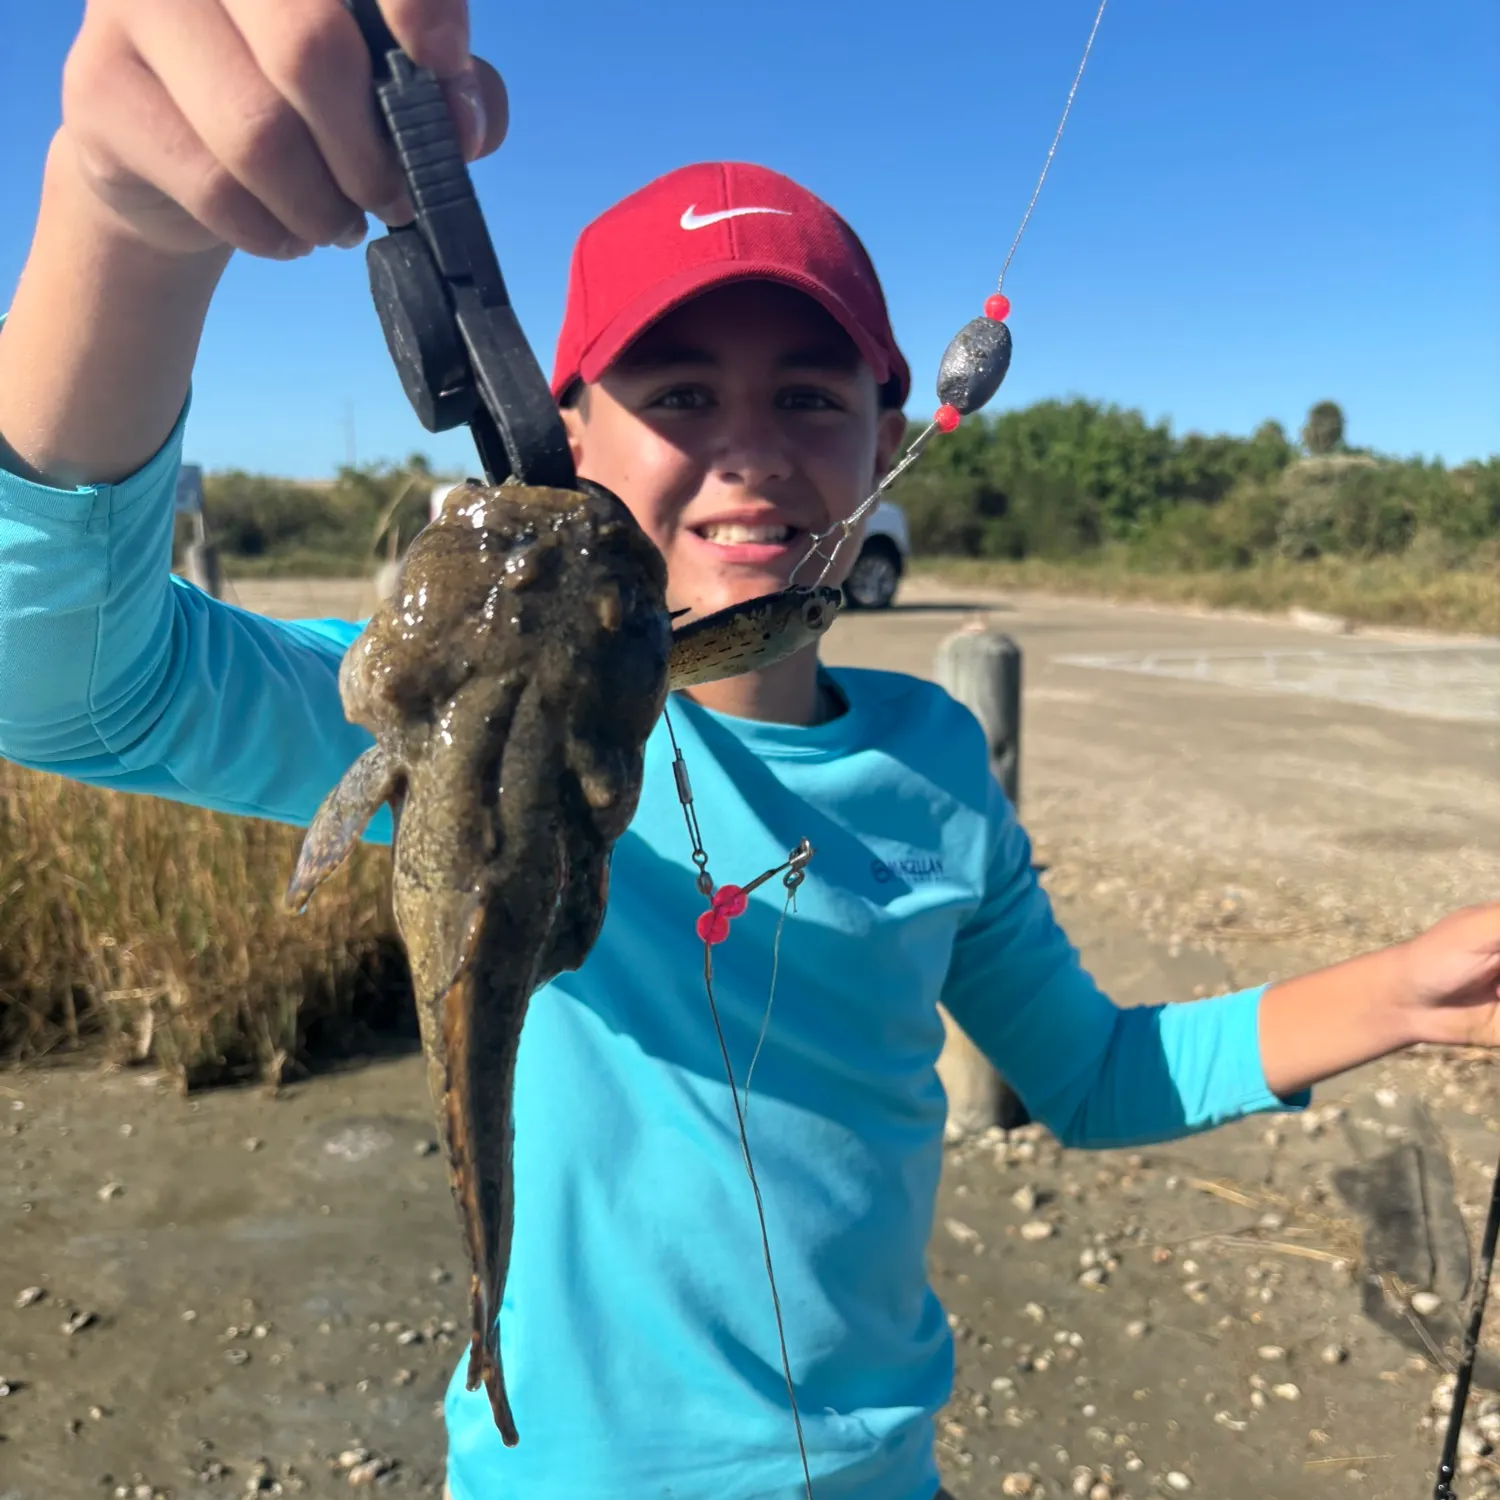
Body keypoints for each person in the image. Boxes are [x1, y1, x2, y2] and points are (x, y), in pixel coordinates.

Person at [0, 5, 1496, 1499]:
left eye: (807, 395)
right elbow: (70, 683)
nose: (750, 448)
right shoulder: (450, 708)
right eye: (677, 395)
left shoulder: (936, 765)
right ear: (569, 429)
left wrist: (1398, 993)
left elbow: (1091, 1074)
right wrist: (124, 215)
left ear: (884, 431)